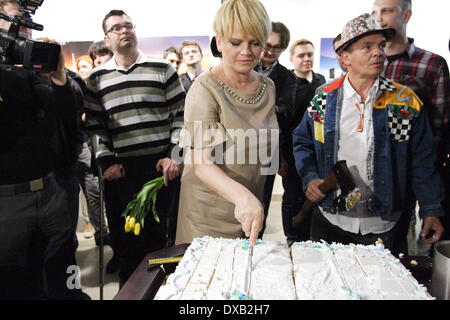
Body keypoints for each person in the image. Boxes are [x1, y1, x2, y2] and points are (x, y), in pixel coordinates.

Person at [292, 13, 445, 255]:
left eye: (381, 46)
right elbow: (302, 142)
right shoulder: (324, 99)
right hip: (331, 219)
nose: (379, 53)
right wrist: (310, 177)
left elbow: (422, 161)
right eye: (367, 47)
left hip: (385, 223)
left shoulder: (405, 102)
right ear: (345, 58)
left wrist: (430, 209)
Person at [84, 10, 185, 285]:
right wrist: (105, 162)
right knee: (127, 239)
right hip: (122, 170)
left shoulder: (163, 68)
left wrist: (173, 156)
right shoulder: (97, 79)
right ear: (107, 38)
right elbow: (95, 127)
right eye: (117, 28)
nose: (125, 30)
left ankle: (164, 289)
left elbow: (182, 116)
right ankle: (132, 290)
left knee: (161, 238)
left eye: (128, 25)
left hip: (161, 167)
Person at [175, 0, 278, 247]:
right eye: (236, 42)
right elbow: (201, 162)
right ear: (219, 42)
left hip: (249, 208)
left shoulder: (268, 87)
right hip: (208, 216)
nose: (246, 51)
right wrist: (243, 197)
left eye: (255, 43)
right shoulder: (204, 88)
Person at [0, 0, 79, 299]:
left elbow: (63, 109)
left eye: (26, 17)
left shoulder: (26, 73)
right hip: (8, 201)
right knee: (16, 280)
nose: (22, 25)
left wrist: (59, 79)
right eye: (13, 18)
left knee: (62, 265)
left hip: (49, 191)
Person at [371, 0, 450, 254]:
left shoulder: (431, 64)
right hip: (368, 175)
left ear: (406, 14)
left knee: (406, 249)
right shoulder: (367, 62)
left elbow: (441, 127)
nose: (379, 19)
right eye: (374, 13)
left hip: (412, 173)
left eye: (386, 11)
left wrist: (429, 195)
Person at [280, 39, 326, 243]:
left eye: (309, 54)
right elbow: (278, 124)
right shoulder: (286, 85)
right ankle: (292, 236)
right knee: (292, 196)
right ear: (291, 59)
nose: (306, 59)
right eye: (301, 55)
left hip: (317, 151)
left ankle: (310, 237)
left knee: (315, 194)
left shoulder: (322, 82)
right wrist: (279, 157)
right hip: (290, 152)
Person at [254, 21, 297, 237]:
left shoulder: (288, 78)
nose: (270, 51)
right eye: (267, 45)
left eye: (276, 47)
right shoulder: (244, 66)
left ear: (283, 49)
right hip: (237, 145)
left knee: (261, 202)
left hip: (269, 149)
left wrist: (252, 109)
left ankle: (255, 243)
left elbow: (286, 112)